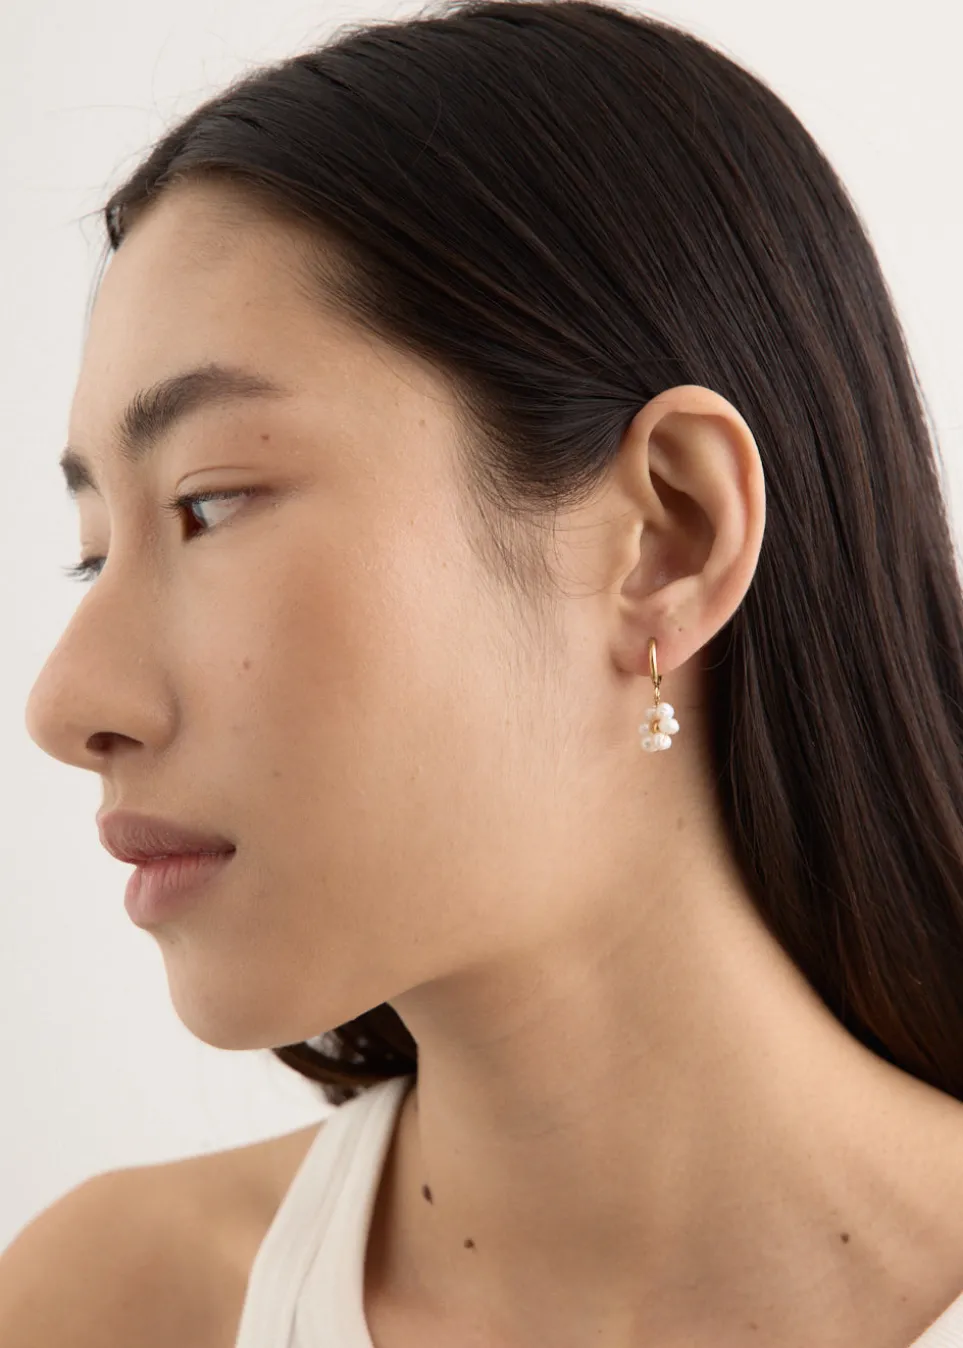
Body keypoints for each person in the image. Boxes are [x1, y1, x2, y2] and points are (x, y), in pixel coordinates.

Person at [6, 1, 963, 1345]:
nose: (65, 707)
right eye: (92, 554)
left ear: (668, 537)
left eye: (208, 504)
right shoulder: (109, 1309)